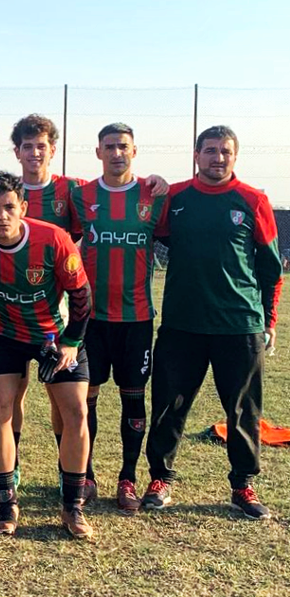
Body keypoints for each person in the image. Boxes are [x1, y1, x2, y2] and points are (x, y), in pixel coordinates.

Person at [143, 125, 281, 520]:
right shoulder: (177, 198)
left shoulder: (253, 200)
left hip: (239, 326)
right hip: (182, 325)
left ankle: (242, 485)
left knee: (243, 410)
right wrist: (154, 183)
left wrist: (268, 320)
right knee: (169, 405)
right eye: (210, 151)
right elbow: (144, 216)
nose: (217, 158)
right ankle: (160, 478)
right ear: (196, 154)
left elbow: (272, 269)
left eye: (225, 151)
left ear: (235, 157)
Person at [0, 171, 94, 539]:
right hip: (5, 334)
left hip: (54, 336)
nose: (2, 216)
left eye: (9, 207)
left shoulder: (53, 239)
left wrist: (71, 341)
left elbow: (82, 296)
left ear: (23, 208)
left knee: (75, 410)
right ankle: (7, 502)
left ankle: (72, 505)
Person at [68, 123, 168, 514]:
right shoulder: (81, 197)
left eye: (123, 146)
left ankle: (127, 477)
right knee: (85, 399)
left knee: (133, 399)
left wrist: (162, 182)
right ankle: (86, 475)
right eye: (109, 147)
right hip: (92, 320)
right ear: (98, 152)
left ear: (134, 151)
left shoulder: (153, 196)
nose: (116, 153)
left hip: (137, 319)